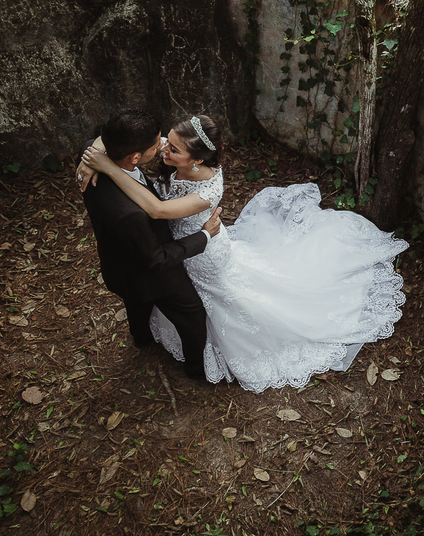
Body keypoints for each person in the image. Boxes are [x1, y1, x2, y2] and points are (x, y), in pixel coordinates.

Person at [79, 114, 407, 393]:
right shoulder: (172, 150)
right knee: (182, 299)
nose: (164, 148)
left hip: (205, 255)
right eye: (165, 142)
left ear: (196, 160)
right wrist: (93, 154)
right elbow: (118, 136)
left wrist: (107, 166)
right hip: (177, 251)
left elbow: (158, 210)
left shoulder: (209, 189)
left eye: (173, 148)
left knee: (226, 301)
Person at [78, 110, 222, 382]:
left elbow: (96, 141)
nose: (162, 148)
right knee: (191, 312)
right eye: (158, 145)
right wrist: (204, 235)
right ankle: (196, 370)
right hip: (153, 266)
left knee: (135, 299)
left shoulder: (91, 154)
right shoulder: (130, 213)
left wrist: (96, 159)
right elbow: (156, 244)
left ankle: (141, 337)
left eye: (169, 146)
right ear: (135, 157)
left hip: (118, 261)